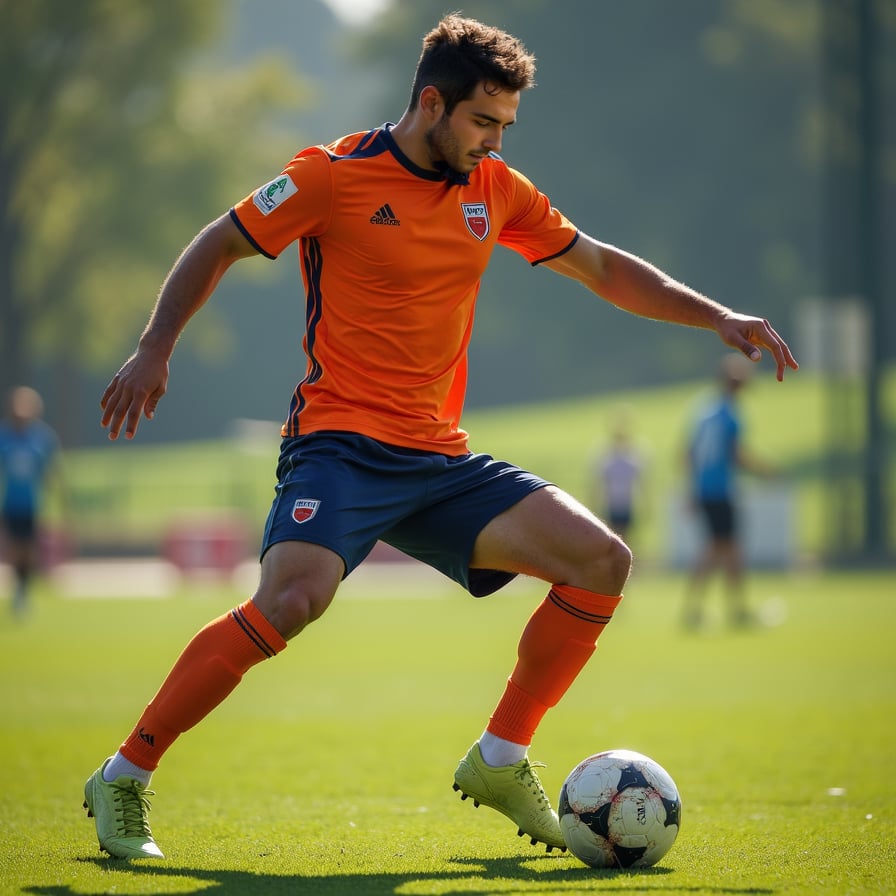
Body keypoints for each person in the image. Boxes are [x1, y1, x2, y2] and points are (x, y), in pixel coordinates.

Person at [83, 15, 798, 860]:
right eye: (483, 121)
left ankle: (500, 759)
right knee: (290, 603)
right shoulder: (330, 176)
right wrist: (155, 347)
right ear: (432, 103)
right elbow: (218, 242)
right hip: (339, 448)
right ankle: (124, 774)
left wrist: (716, 317)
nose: (495, 142)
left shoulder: (495, 189)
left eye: (506, 125)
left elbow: (602, 267)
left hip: (439, 459)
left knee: (602, 561)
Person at [682, 353, 773, 630]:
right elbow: (735, 456)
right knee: (724, 550)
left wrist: (691, 489)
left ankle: (706, 610)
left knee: (721, 549)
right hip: (720, 490)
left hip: (705, 489)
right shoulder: (730, 415)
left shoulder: (704, 410)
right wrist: (765, 471)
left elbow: (689, 453)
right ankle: (729, 611)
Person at [0, 386, 61, 617]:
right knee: (15, 549)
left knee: (27, 550)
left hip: (32, 504)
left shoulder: (41, 438)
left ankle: (23, 591)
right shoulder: (4, 437)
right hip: (11, 503)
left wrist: (58, 497)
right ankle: (19, 591)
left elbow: (50, 471)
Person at [591, 411, 643, 543]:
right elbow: (599, 482)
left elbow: (640, 480)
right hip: (611, 504)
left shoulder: (633, 455)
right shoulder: (606, 455)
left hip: (627, 503)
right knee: (612, 539)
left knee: (626, 539)